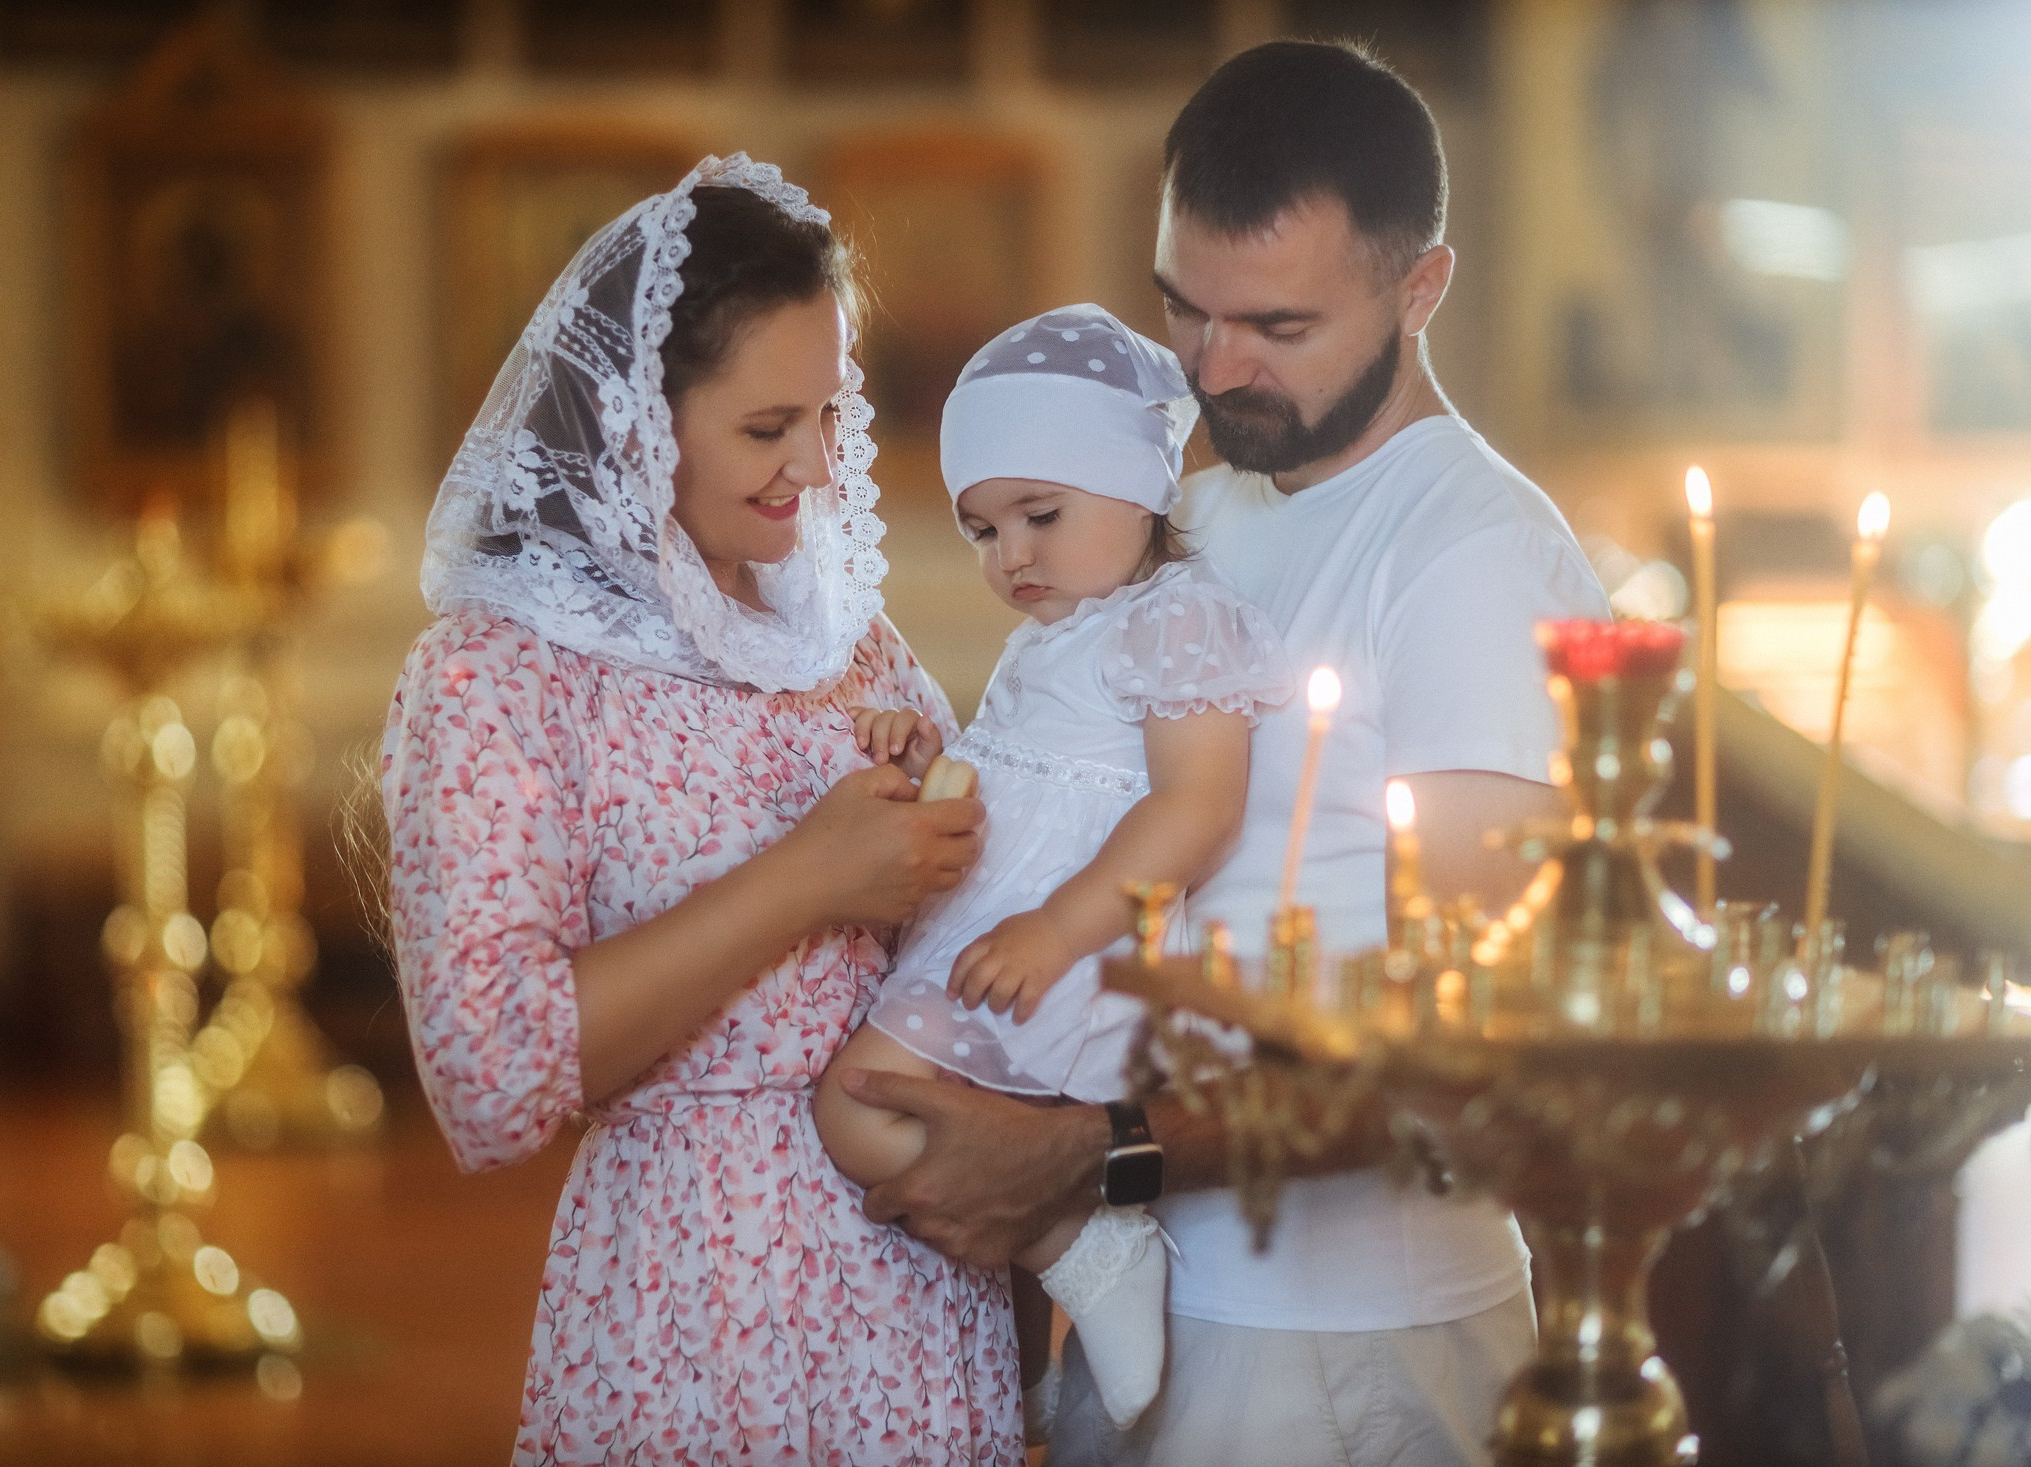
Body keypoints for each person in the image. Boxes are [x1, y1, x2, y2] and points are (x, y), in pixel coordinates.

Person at [837, 42, 1615, 1467]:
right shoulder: (1208, 509)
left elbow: (1476, 1050)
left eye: (1277, 323)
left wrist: (1098, 1155)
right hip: (1171, 1290)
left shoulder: (1474, 560)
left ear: (1420, 287)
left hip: (1343, 1336)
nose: (1214, 367)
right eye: (1183, 309)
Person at [381, 155, 1019, 1466]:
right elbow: (490, 1080)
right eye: (765, 426)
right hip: (698, 1305)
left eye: (830, 416)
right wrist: (807, 879)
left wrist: (949, 821)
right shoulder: (501, 672)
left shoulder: (848, 641)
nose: (813, 469)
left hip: (919, 1282)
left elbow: (963, 944)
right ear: (634, 423)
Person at [813, 305, 1292, 1437]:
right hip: (1015, 923)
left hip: (1077, 941)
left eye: (1039, 514)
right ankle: (1030, 1352)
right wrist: (936, 762)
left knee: (855, 1109)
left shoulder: (1176, 621)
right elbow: (1032, 771)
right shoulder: (1067, 627)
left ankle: (1089, 1236)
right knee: (938, 1128)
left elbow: (1198, 806)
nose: (1010, 555)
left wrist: (1062, 930)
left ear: (1142, 489)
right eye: (980, 530)